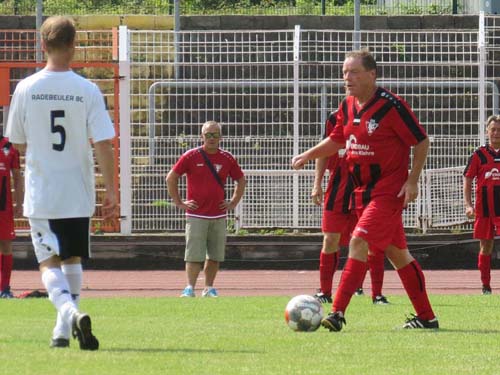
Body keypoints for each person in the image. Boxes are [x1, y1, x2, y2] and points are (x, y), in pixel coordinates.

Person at [292, 49, 438, 330]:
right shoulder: (347, 105)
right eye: (345, 72)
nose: (347, 77)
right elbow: (336, 140)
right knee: (398, 255)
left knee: (358, 241)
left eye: (354, 72)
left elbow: (421, 141)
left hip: (389, 190)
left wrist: (413, 180)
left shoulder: (392, 106)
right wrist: (307, 155)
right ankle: (426, 317)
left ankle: (337, 313)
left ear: (372, 74)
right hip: (363, 192)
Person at [5, 16, 117, 349]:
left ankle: (68, 314)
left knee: (48, 261)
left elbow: (18, 143)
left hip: (42, 191)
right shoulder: (87, 89)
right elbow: (103, 143)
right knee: (72, 259)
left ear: (43, 45)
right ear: (73, 45)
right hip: (77, 191)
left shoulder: (26, 87)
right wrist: (110, 190)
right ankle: (63, 332)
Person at [166, 121, 246, 298]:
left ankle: (209, 288)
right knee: (194, 254)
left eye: (215, 134)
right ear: (201, 136)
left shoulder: (227, 158)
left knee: (215, 255)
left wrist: (233, 202)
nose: (211, 138)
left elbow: (240, 180)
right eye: (208, 134)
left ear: (221, 137)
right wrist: (179, 202)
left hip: (218, 215)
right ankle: (189, 288)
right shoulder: (190, 156)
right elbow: (171, 178)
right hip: (196, 215)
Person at [464, 115, 500, 295]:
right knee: (486, 247)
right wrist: (468, 205)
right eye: (493, 129)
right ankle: (486, 286)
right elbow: (468, 178)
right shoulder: (479, 154)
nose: (496, 133)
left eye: (499, 130)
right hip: (484, 210)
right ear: (487, 131)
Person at [0, 135, 23, 298]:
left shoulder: (9, 146)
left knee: (6, 245)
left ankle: (4, 288)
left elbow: (17, 177)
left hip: (4, 206)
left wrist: (19, 203)